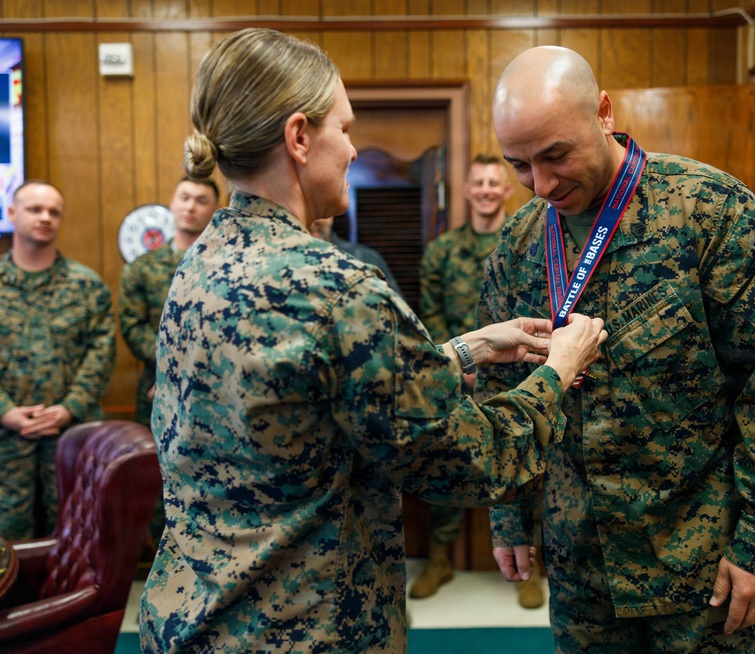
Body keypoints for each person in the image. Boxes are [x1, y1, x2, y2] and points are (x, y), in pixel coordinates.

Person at [138, 29, 607, 654]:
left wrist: (464, 350)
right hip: (302, 627)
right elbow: (467, 461)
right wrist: (557, 372)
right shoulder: (334, 286)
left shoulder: (202, 263)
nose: (355, 150)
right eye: (346, 128)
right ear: (300, 138)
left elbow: (307, 401)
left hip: (192, 616)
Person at [478, 45, 755, 653]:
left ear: (602, 112)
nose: (540, 185)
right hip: (581, 572)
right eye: (519, 164)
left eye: (555, 156)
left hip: (702, 567)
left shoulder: (713, 215)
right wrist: (508, 514)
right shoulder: (517, 249)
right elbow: (499, 393)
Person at [412, 153, 548, 608]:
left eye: (495, 182)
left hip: (520, 374)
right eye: (479, 182)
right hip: (457, 374)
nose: (488, 189)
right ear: (467, 190)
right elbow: (428, 315)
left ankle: (528, 565)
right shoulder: (442, 251)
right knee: (449, 463)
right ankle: (440, 558)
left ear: (507, 189)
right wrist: (459, 360)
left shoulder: (529, 246)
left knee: (527, 463)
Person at [0, 180, 116, 540]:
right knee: (6, 542)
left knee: (72, 535)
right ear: (12, 214)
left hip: (69, 436)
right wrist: (5, 411)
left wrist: (69, 407)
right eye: (35, 209)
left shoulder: (86, 286)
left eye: (54, 211)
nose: (45, 217)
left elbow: (101, 353)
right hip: (4, 439)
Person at [119, 176, 220, 427]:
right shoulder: (141, 268)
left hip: (216, 389)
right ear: (172, 203)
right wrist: (173, 366)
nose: (190, 207)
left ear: (215, 211)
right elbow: (133, 326)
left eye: (201, 201)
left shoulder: (227, 267)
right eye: (184, 198)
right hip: (158, 385)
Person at [309, 215, 403, 296]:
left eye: (317, 214)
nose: (311, 223)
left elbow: (399, 312)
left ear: (331, 216)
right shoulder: (294, 262)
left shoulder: (365, 258)